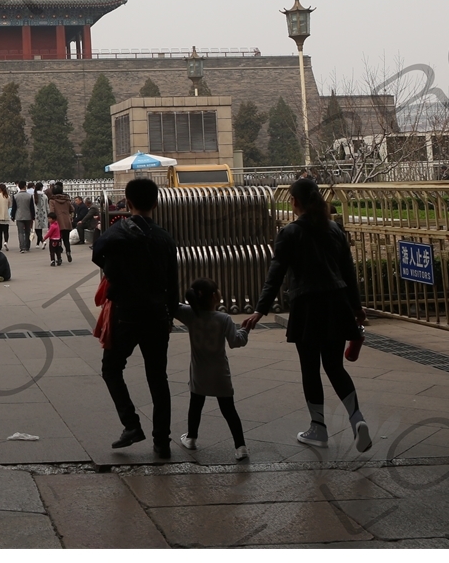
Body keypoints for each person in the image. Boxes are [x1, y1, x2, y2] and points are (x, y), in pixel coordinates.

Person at [243, 175, 371, 452]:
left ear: (295, 202)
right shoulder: (335, 229)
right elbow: (348, 273)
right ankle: (357, 419)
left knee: (310, 369)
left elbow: (275, 274)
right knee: (335, 367)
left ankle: (318, 428)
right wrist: (356, 308)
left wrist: (259, 310)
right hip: (337, 303)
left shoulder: (290, 233)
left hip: (307, 306)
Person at [92, 176, 179, 457]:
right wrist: (171, 314)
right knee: (158, 377)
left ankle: (131, 424)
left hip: (126, 314)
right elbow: (173, 282)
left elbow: (98, 253)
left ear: (126, 202)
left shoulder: (116, 235)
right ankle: (162, 441)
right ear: (155, 202)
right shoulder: (164, 238)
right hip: (155, 314)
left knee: (111, 368)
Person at [174, 279, 250, 459]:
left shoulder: (190, 314)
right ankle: (240, 447)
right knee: (228, 410)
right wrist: (245, 330)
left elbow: (173, 305)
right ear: (215, 296)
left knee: (195, 404)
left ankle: (191, 437)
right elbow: (236, 342)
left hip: (199, 372)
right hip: (220, 373)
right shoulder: (224, 319)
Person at [47, 184, 74, 263]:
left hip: (57, 223)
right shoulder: (66, 199)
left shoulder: (52, 201)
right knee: (66, 239)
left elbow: (52, 212)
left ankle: (59, 257)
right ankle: (68, 252)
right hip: (66, 222)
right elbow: (72, 209)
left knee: (57, 241)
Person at [11, 181, 35, 252]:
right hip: (28, 216)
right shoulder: (29, 196)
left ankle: (22, 247)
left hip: (19, 215)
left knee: (20, 232)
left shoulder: (15, 196)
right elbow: (32, 207)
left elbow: (14, 207)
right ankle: (27, 246)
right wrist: (33, 216)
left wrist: (12, 216)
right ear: (25, 186)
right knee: (27, 231)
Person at [0, 183, 11, 247]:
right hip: (5, 216)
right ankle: (6, 242)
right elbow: (9, 206)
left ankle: (0, 244)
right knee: (6, 231)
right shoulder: (7, 196)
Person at [33, 183, 49, 247]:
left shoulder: (33, 196)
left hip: (35, 214)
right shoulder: (44, 196)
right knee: (40, 229)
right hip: (43, 214)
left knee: (37, 229)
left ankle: (42, 241)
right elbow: (47, 207)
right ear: (41, 188)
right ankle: (38, 243)